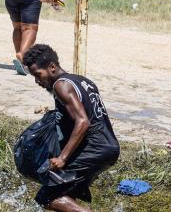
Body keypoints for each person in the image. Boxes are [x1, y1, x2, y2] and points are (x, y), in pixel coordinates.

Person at [23, 44, 120, 212]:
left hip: (94, 149)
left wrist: (63, 157)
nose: (37, 81)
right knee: (66, 194)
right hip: (109, 147)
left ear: (52, 67)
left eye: (38, 75)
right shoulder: (82, 81)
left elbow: (83, 121)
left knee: (46, 197)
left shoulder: (61, 85)